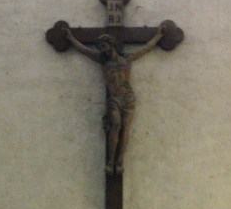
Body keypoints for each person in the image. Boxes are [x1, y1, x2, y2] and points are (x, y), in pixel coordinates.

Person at [64, 25, 164, 174]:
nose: (102, 50)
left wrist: (158, 36)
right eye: (100, 47)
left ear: (111, 45)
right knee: (115, 124)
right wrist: (70, 38)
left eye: (104, 46)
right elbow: (84, 50)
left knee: (125, 129)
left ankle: (119, 161)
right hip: (114, 99)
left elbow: (146, 48)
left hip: (128, 98)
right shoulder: (103, 61)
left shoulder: (127, 59)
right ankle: (110, 160)